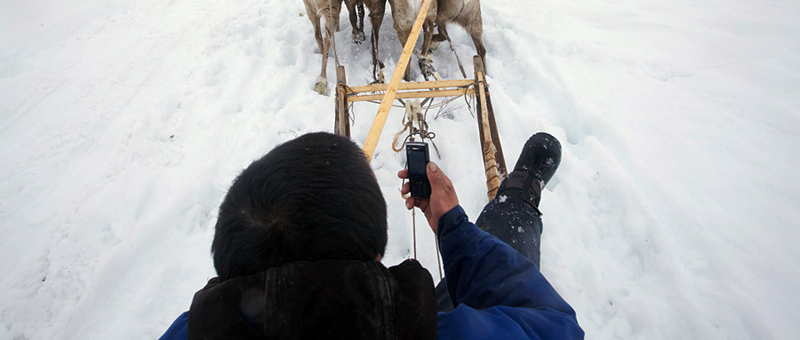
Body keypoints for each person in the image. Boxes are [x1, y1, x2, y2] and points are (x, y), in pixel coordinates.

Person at [159, 132, 583, 339]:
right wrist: (452, 226)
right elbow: (556, 325)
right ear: (377, 256)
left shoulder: (191, 331)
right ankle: (520, 195)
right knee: (497, 254)